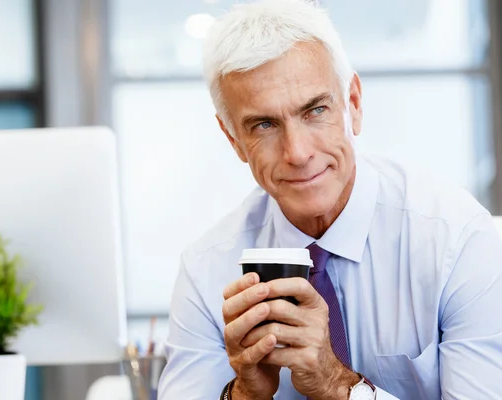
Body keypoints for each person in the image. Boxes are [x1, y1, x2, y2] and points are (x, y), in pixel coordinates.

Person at [158, 1, 502, 399]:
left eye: (315, 110)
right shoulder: (206, 270)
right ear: (233, 138)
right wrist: (245, 395)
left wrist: (334, 383)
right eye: (264, 124)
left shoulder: (457, 241)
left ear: (353, 103)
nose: (298, 152)